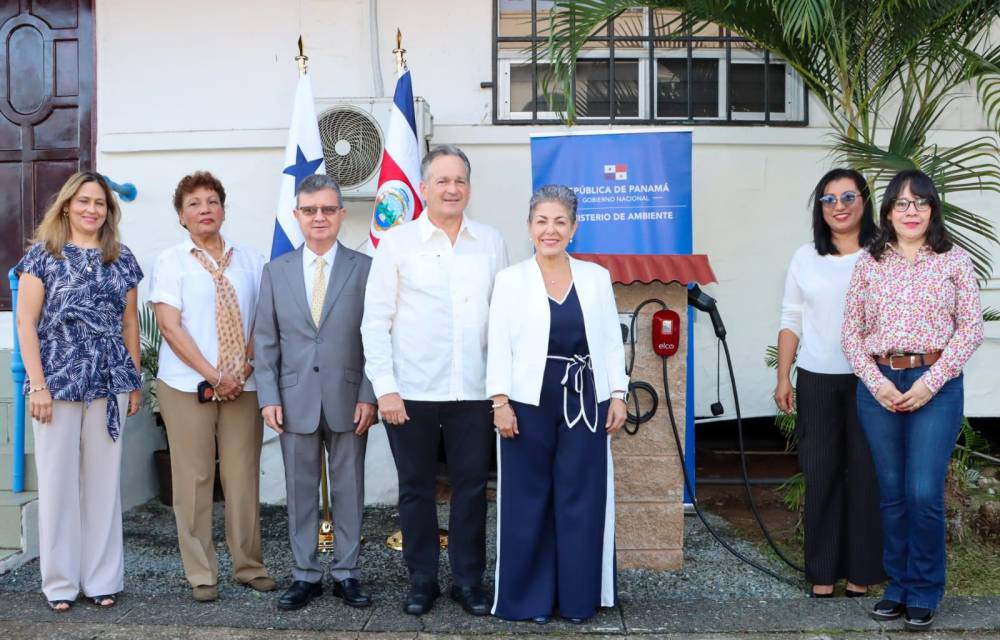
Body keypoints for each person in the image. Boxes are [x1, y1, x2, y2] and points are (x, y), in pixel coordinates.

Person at [361, 144, 508, 616]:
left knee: (470, 489)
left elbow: (504, 320)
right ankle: (421, 579)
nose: (451, 188)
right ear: (423, 189)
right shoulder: (398, 243)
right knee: (416, 488)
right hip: (411, 393)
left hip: (474, 391)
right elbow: (375, 320)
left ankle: (468, 580)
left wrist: (501, 390)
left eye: (459, 180)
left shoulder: (490, 241)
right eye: (441, 181)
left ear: (469, 187)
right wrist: (385, 387)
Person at [842, 169, 983, 631]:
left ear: (932, 210)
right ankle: (899, 585)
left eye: (920, 202)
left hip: (936, 384)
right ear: (886, 211)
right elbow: (851, 332)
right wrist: (875, 381)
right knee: (892, 492)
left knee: (923, 492)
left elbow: (972, 329)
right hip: (879, 382)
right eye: (901, 203)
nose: (911, 211)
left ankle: (925, 587)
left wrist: (931, 381)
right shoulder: (869, 262)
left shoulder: (954, 261)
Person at [487, 184, 628, 624]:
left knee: (580, 498)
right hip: (527, 400)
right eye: (542, 221)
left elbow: (609, 341)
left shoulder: (595, 277)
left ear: (574, 228)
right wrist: (499, 401)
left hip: (584, 396)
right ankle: (527, 600)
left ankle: (576, 599)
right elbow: (497, 344)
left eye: (560, 221)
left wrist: (618, 394)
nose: (551, 230)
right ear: (530, 227)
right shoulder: (510, 280)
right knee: (527, 499)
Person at [15, 171, 143, 611]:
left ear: (109, 212)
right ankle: (60, 583)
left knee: (104, 485)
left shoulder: (120, 258)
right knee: (57, 484)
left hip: (109, 381)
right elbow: (25, 324)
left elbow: (129, 324)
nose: (92, 209)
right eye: (85, 201)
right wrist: (38, 385)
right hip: (57, 381)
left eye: (101, 204)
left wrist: (133, 382)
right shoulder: (42, 257)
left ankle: (103, 579)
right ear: (67, 205)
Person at [149, 171, 275, 602]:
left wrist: (243, 367)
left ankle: (249, 566)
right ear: (181, 217)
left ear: (223, 209)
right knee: (195, 479)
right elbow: (169, 325)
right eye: (194, 204)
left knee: (242, 477)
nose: (204, 209)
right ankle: (201, 573)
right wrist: (213, 373)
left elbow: (264, 318)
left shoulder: (252, 260)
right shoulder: (172, 261)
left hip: (245, 383)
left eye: (212, 201)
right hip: (188, 385)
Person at [254, 174, 377, 611]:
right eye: (310, 210)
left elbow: (374, 337)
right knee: (300, 491)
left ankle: (347, 573)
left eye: (328, 209)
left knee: (349, 489)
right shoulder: (276, 271)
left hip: (350, 399)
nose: (319, 217)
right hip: (293, 400)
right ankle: (304, 574)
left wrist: (369, 393)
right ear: (297, 216)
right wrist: (268, 396)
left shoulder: (365, 268)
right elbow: (265, 340)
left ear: (342, 213)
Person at [774, 168, 885, 598]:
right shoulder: (805, 257)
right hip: (817, 379)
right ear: (820, 208)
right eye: (828, 199)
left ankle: (861, 571)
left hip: (872, 380)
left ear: (864, 201)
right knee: (820, 473)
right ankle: (821, 572)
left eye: (847, 197)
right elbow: (791, 319)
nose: (838, 206)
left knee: (864, 474)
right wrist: (784, 375)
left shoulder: (884, 254)